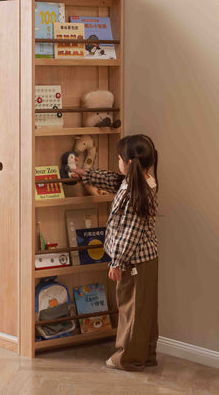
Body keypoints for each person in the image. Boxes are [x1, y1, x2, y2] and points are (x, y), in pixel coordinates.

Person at [72, 134, 159, 372]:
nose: (118, 162)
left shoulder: (136, 194)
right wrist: (86, 174)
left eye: (120, 158)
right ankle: (146, 353)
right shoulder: (138, 181)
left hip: (134, 262)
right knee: (144, 309)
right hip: (145, 260)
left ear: (130, 162)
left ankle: (127, 358)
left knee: (131, 310)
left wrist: (117, 262)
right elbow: (113, 180)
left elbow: (130, 231)